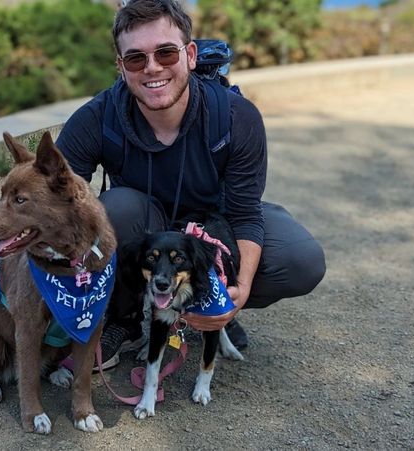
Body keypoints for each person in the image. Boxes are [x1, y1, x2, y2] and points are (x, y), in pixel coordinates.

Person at [55, 0, 326, 369]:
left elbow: (245, 215)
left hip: (213, 227)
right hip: (142, 226)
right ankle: (125, 315)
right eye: (135, 59)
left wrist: (238, 292)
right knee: (110, 212)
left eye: (166, 53)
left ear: (191, 54)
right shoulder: (97, 117)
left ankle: (209, 298)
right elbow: (53, 198)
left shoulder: (235, 116)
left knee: (300, 259)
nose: (152, 68)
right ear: (121, 68)